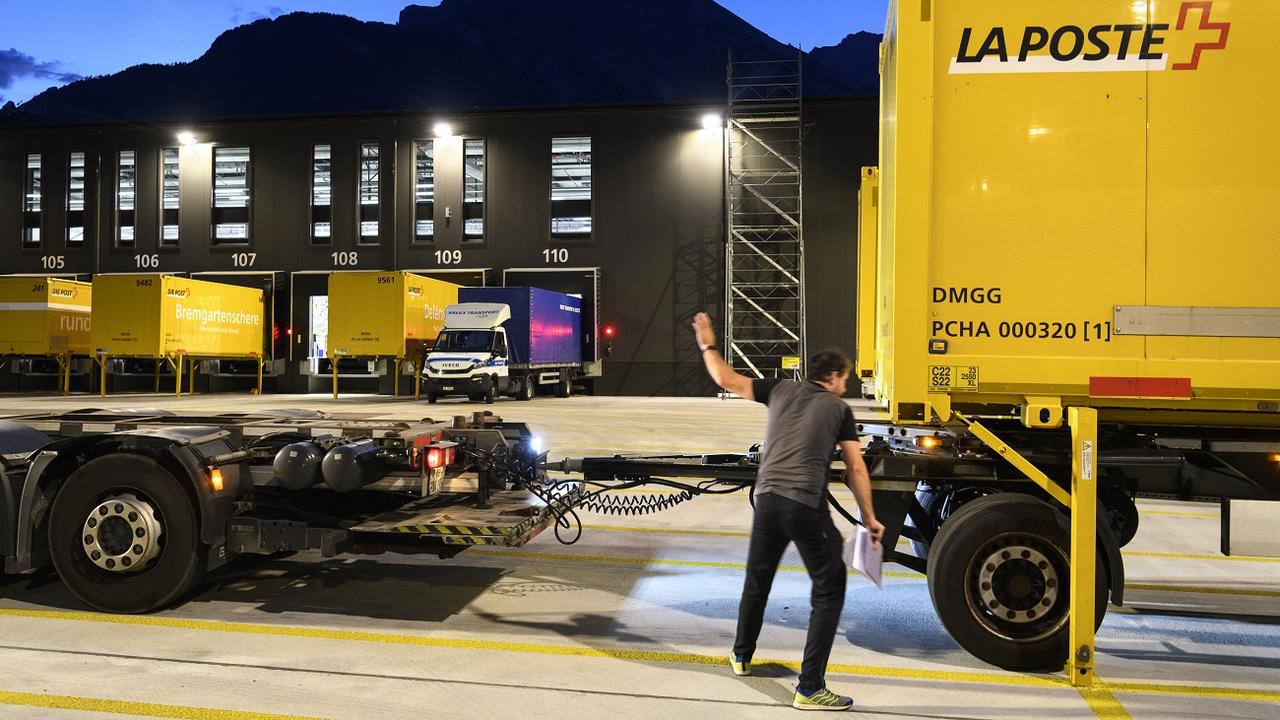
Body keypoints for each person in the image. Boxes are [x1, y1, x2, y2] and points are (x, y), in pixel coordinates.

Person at [691, 312, 884, 712]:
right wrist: (869, 517)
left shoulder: (778, 389)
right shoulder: (837, 409)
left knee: (757, 579)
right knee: (829, 589)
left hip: (767, 500)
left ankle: (741, 656)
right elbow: (856, 467)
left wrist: (707, 342)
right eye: (844, 380)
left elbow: (725, 378)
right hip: (803, 503)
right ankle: (810, 687)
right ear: (831, 377)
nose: (845, 387)